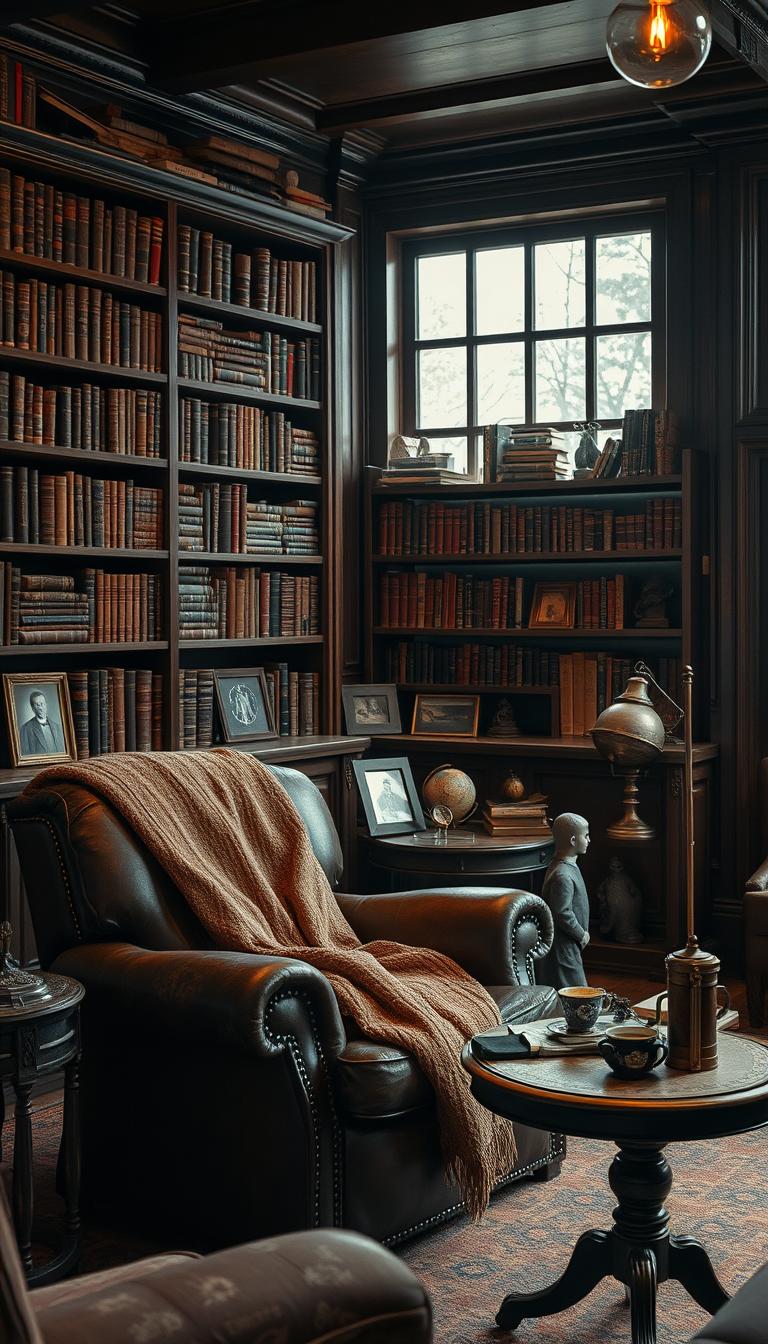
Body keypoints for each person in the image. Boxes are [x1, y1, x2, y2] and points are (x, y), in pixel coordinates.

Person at [537, 812, 591, 987]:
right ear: (573, 841)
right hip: (564, 946)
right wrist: (580, 934)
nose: (589, 840)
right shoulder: (563, 875)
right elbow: (562, 913)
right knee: (576, 988)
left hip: (568, 944)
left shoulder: (563, 867)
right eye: (586, 835)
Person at [19, 690, 63, 756]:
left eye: (42, 703)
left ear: (46, 704)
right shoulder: (25, 728)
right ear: (32, 708)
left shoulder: (57, 727)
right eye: (37, 705)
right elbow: (25, 756)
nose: (40, 708)